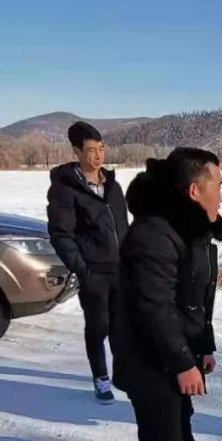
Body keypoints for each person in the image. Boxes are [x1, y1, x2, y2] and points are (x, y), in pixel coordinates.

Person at [110, 149, 222, 441]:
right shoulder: (154, 235)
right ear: (195, 190)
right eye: (219, 185)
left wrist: (204, 347)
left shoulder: (192, 228)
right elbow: (154, 307)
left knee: (184, 417)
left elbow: (197, 299)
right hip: (149, 359)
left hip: (176, 349)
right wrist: (182, 362)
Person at [46, 121, 129, 403]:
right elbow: (61, 233)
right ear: (77, 152)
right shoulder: (65, 189)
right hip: (93, 273)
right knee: (98, 327)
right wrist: (82, 269)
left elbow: (123, 227)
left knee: (121, 326)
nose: (98, 156)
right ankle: (100, 377)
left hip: (121, 271)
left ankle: (123, 373)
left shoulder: (113, 186)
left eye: (101, 149)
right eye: (91, 150)